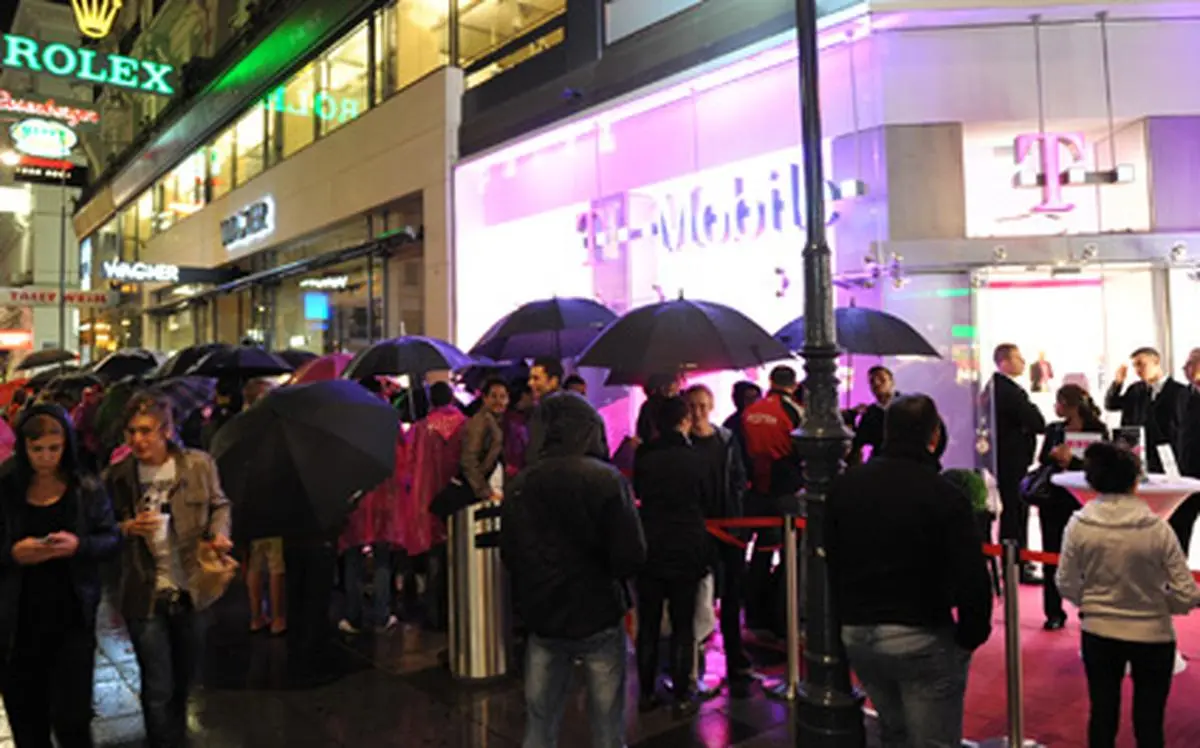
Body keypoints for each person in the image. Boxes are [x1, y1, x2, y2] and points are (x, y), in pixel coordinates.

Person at [829, 395, 993, 747]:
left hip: (859, 630)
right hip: (921, 631)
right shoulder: (944, 495)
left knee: (894, 731)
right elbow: (971, 575)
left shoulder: (846, 486)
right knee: (932, 739)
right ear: (933, 436)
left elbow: (833, 558)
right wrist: (970, 634)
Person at [501, 392, 646, 748]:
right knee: (607, 729)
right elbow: (631, 555)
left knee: (539, 725)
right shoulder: (607, 479)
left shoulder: (522, 484)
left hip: (543, 617)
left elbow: (511, 551)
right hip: (598, 612)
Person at [105, 393, 233, 748]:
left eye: (146, 431)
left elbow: (220, 504)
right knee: (157, 684)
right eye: (131, 432)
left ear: (167, 430)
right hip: (143, 591)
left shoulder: (197, 465)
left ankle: (177, 735)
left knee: (185, 678)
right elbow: (101, 527)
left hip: (192, 587)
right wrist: (127, 528)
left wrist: (220, 534)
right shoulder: (118, 475)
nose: (137, 440)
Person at [1056, 441, 1200, 748]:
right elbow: (1187, 593)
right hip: (1153, 634)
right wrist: (1161, 605)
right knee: (1149, 724)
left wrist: (1091, 603)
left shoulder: (1079, 526)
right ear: (1136, 482)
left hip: (1098, 630)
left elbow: (1065, 582)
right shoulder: (1157, 530)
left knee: (1102, 716)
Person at [0, 405, 119, 748]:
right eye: (37, 449)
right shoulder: (6, 488)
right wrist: (12, 554)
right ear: (23, 448)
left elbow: (110, 538)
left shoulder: (85, 486)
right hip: (17, 622)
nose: (46, 457)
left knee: (73, 718)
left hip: (71, 617)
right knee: (27, 719)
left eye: (54, 448)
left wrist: (78, 545)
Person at [633, 396, 712, 716]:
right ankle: (682, 693)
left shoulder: (644, 455)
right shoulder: (695, 458)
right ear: (684, 421)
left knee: (649, 625)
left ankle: (646, 693)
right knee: (683, 625)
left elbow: (639, 492)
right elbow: (705, 497)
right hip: (686, 545)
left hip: (650, 545)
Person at [685, 384, 752, 697]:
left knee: (732, 594)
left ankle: (735, 656)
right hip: (698, 531)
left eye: (702, 405)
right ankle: (693, 661)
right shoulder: (684, 445)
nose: (698, 412)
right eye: (693, 406)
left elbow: (738, 477)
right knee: (698, 598)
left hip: (728, 527)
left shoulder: (725, 440)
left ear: (711, 406)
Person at [1035, 384, 1108, 631]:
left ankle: (1090, 608)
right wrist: (1055, 456)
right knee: (1051, 556)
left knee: (1088, 557)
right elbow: (1042, 459)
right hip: (1053, 499)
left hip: (1084, 501)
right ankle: (1053, 611)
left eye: (1059, 402)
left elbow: (1102, 463)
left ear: (1070, 404)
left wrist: (1074, 461)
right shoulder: (1054, 429)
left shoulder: (1098, 430)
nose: (1056, 407)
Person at [337, 377, 406, 635]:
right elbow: (402, 456)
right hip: (384, 498)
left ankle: (353, 617)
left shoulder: (347, 419)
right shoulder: (389, 417)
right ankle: (381, 615)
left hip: (356, 497)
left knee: (353, 557)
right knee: (382, 557)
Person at [741, 365, 803, 633]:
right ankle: (780, 617)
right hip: (785, 492)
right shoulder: (795, 412)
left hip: (756, 491)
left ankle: (753, 613)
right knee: (791, 557)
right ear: (793, 384)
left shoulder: (751, 411)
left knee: (760, 555)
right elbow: (802, 450)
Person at [406, 381, 466, 628]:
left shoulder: (420, 428)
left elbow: (408, 465)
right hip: (457, 497)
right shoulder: (465, 425)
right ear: (452, 399)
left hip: (427, 500)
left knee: (433, 558)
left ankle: (434, 614)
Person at [988, 344, 1046, 581]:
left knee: (1014, 510)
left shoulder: (1000, 388)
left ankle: (1017, 561)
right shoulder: (1007, 390)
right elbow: (1036, 421)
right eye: (1018, 358)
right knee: (1015, 511)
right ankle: (1017, 564)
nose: (1023, 363)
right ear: (1004, 361)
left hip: (1009, 459)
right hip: (1011, 461)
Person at [241, 378, 287, 635]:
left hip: (249, 503)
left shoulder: (238, 430)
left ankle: (256, 615)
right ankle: (278, 617)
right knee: (276, 565)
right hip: (271, 501)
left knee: (255, 562)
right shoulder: (271, 428)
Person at [1104, 346, 1189, 475]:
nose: (1138, 370)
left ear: (1156, 363)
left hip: (1166, 455)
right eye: (1135, 366)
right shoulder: (1135, 389)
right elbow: (1111, 404)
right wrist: (1117, 383)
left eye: (1141, 364)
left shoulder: (1179, 392)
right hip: (1138, 453)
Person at [847, 366, 947, 465]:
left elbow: (937, 430)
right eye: (872, 381)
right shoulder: (870, 413)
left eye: (882, 379)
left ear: (892, 382)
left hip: (912, 463)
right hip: (882, 465)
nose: (877, 384)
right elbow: (859, 441)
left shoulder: (909, 406)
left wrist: (931, 460)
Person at [461, 378, 508, 503]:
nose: (498, 401)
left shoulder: (497, 421)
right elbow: (469, 460)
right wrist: (484, 491)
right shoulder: (480, 422)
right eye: (493, 396)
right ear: (485, 398)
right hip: (478, 491)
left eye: (502, 397)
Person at [1175, 348, 1200, 556]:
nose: (1186, 369)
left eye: (1192, 363)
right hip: (1187, 474)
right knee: (1180, 526)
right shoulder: (1184, 395)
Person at [524, 357, 564, 466]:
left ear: (553, 381)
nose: (530, 383)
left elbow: (536, 449)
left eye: (536, 378)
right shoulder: (570, 405)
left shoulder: (546, 408)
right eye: (530, 378)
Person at [722, 381, 761, 472]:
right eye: (748, 398)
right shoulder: (732, 424)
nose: (754, 402)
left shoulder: (766, 419)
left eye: (756, 398)